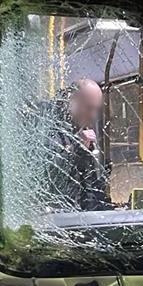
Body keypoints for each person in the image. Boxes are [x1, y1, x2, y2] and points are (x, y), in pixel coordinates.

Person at [48, 78, 109, 211]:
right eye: (88, 108)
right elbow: (49, 174)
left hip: (79, 212)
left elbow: (87, 181)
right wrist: (77, 148)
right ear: (71, 101)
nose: (93, 115)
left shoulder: (80, 129)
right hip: (55, 214)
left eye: (96, 109)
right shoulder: (48, 124)